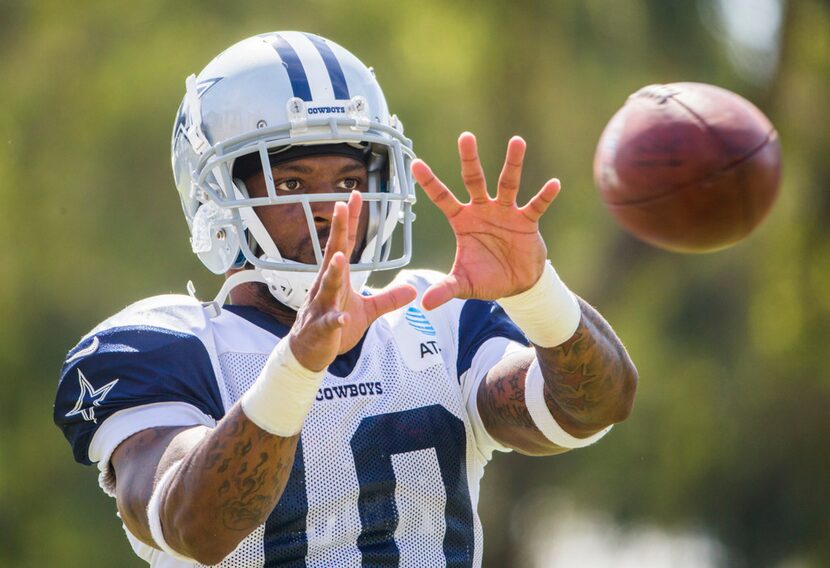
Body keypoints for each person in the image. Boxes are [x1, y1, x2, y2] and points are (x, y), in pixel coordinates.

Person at [54, 31, 637, 567]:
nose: (336, 208)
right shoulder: (167, 349)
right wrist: (298, 366)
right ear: (217, 195)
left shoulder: (437, 314)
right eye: (292, 183)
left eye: (352, 181)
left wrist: (539, 293)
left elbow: (590, 409)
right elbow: (194, 526)